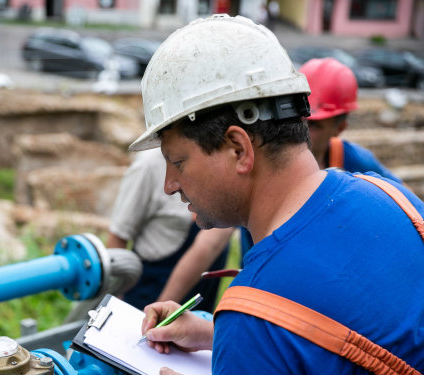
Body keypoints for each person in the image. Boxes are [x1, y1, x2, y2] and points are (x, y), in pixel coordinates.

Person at [129, 15, 424, 375]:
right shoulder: (394, 200)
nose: (170, 185)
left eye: (178, 163)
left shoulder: (259, 320)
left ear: (237, 149)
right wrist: (212, 332)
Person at [160, 56, 405, 296]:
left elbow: (404, 212)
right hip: (266, 288)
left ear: (339, 127)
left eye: (315, 125)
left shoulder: (355, 164)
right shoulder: (263, 168)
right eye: (301, 118)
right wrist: (165, 301)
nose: (302, 128)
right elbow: (209, 244)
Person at [107, 149, 229, 312]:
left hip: (199, 296)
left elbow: (210, 245)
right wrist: (116, 305)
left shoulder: (221, 160)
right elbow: (118, 237)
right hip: (150, 290)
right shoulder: (148, 165)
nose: (169, 186)